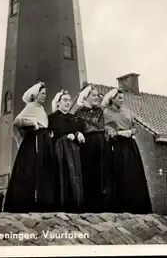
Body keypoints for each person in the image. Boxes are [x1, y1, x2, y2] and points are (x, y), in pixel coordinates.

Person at [3, 82, 56, 213]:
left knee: (44, 170)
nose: (44, 96)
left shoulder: (41, 110)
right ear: (35, 95)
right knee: (30, 171)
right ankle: (26, 203)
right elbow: (17, 122)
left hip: (44, 143)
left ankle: (42, 203)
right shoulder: (31, 107)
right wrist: (32, 123)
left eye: (45, 94)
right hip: (34, 143)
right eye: (42, 94)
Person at [102, 87, 152, 214]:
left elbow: (135, 127)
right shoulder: (106, 113)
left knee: (133, 173)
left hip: (130, 145)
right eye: (119, 98)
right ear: (112, 99)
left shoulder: (128, 112)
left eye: (122, 98)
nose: (121, 100)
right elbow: (106, 130)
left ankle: (136, 206)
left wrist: (131, 131)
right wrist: (117, 133)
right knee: (120, 173)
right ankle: (120, 206)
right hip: (117, 146)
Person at [74, 84, 112, 212]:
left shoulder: (100, 111)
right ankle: (89, 205)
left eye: (97, 95)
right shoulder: (78, 113)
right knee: (88, 172)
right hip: (87, 144)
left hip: (101, 143)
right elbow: (78, 129)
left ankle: (103, 205)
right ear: (86, 97)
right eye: (94, 95)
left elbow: (103, 126)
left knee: (103, 172)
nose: (97, 98)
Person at [48, 90, 85, 212]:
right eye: (65, 100)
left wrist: (79, 133)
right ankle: (60, 205)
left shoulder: (73, 118)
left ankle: (75, 204)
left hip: (73, 151)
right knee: (61, 174)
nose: (68, 103)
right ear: (58, 102)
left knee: (74, 175)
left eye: (69, 100)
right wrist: (64, 136)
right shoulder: (52, 118)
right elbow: (51, 134)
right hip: (59, 151)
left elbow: (77, 129)